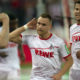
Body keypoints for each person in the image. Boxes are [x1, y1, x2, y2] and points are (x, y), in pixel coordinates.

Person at [9, 13, 73, 80]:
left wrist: (60, 74)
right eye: (38, 23)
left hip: (52, 78)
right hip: (35, 78)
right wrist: (26, 26)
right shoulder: (30, 39)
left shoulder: (59, 42)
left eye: (43, 25)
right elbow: (9, 37)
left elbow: (70, 60)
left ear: (50, 26)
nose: (40, 26)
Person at [0, 12, 25, 80]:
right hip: (1, 66)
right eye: (12, 23)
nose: (14, 25)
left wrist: (22, 53)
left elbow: (19, 42)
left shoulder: (17, 31)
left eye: (16, 23)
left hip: (14, 66)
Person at [69, 1, 80, 80]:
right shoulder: (72, 28)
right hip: (74, 70)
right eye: (76, 9)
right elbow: (71, 46)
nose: (78, 11)